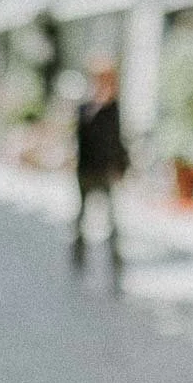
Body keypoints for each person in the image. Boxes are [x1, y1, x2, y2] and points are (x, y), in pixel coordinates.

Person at [71, 61, 129, 290]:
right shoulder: (86, 107)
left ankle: (116, 271)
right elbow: (81, 138)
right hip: (86, 171)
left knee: (112, 225)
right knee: (80, 220)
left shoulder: (113, 108)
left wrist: (121, 168)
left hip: (106, 173)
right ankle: (77, 263)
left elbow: (117, 141)